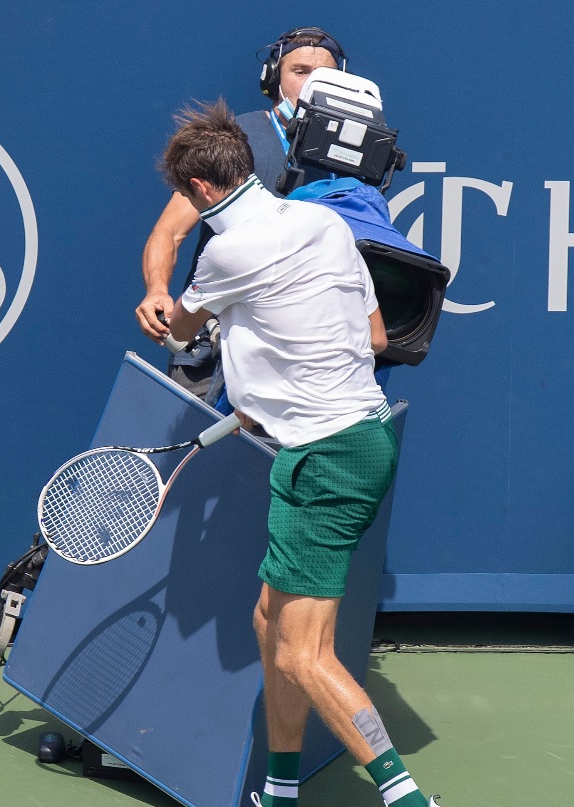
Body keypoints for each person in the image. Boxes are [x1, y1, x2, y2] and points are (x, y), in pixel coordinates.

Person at [159, 101, 440, 807]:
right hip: (346, 440)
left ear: (198, 191)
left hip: (327, 457)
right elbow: (372, 337)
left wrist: (167, 309)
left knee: (301, 653)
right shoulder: (323, 223)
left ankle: (408, 800)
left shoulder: (225, 252)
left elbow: (183, 329)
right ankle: (279, 792)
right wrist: (277, 375)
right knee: (268, 621)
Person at [136, 27, 346, 394]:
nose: (313, 85)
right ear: (273, 79)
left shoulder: (352, 161)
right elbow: (170, 231)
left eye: (325, 76)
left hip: (301, 366)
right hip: (209, 358)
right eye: (300, 72)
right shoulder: (237, 140)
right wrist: (157, 289)